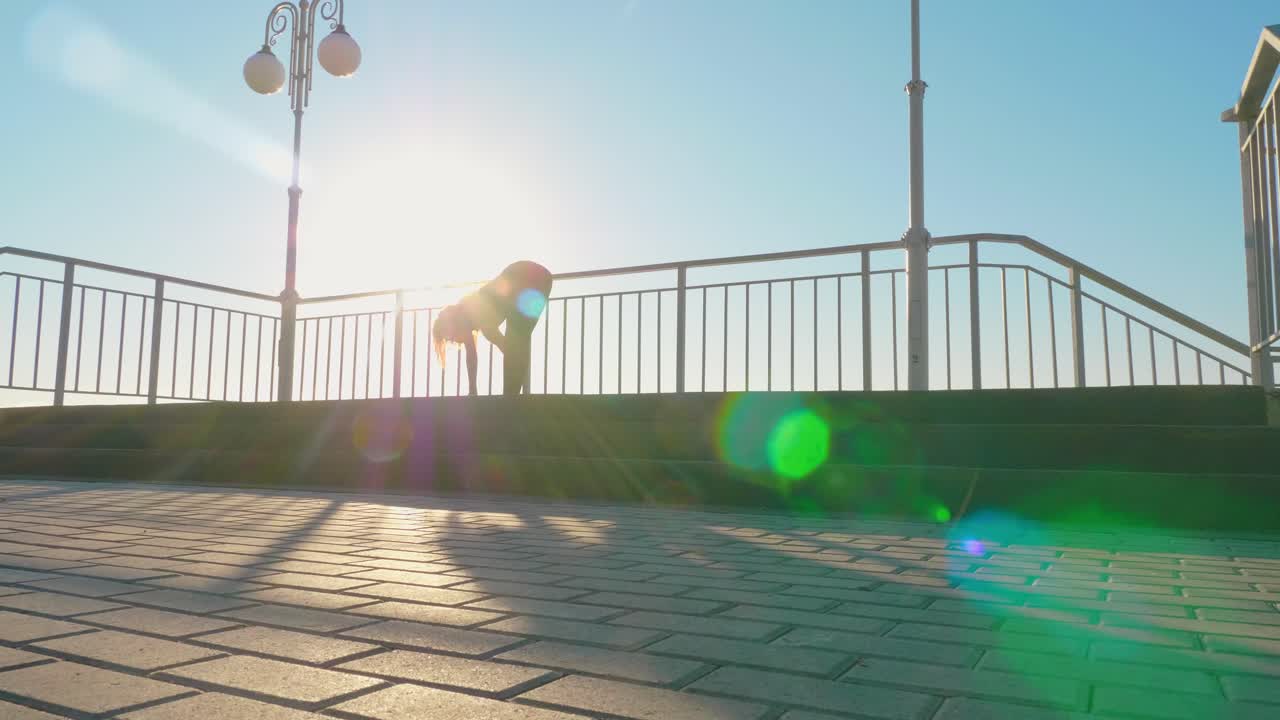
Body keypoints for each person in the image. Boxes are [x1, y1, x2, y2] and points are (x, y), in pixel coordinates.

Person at [432, 261, 553, 396]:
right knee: (519, 339)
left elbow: (508, 352)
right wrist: (473, 389)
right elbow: (471, 355)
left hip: (525, 276)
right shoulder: (469, 313)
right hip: (543, 279)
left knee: (515, 342)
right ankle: (512, 396)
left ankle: (510, 397)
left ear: (452, 324)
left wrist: (473, 390)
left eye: (449, 337)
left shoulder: (479, 318)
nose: (454, 342)